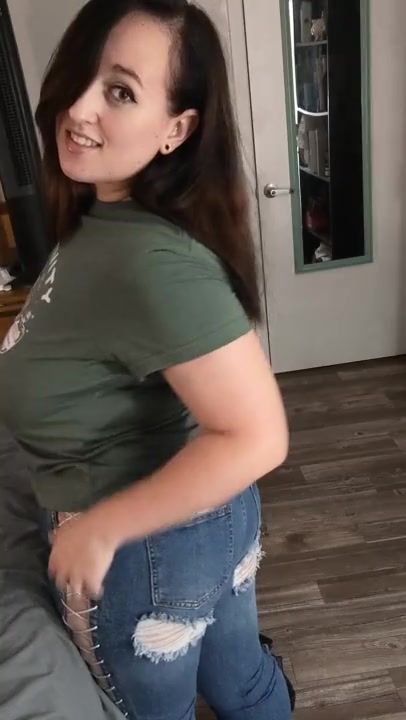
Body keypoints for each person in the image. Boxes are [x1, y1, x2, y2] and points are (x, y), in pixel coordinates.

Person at [0, 1, 294, 718]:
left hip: (145, 553)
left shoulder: (153, 262)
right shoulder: (111, 216)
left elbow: (259, 436)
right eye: (82, 77)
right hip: (205, 525)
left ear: (176, 129)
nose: (78, 108)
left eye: (120, 92)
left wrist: (102, 528)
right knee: (244, 681)